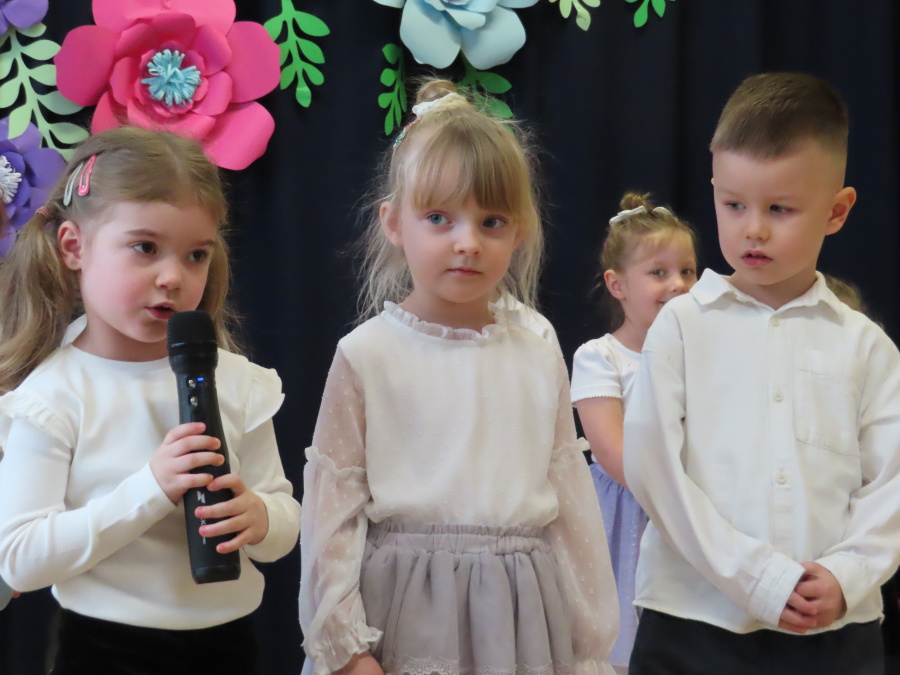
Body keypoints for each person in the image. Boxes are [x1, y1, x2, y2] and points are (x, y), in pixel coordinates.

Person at [299, 79, 618, 675]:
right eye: (439, 218)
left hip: (521, 619)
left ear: (519, 230)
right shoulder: (367, 354)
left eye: (491, 221)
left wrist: (589, 646)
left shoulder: (537, 345)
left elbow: (570, 502)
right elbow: (332, 512)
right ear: (394, 222)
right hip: (405, 612)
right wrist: (346, 648)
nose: (467, 242)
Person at [623, 71, 900, 675]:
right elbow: (653, 468)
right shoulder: (680, 328)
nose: (753, 228)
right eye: (734, 205)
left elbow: (893, 482)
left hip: (834, 627)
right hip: (691, 619)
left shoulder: (867, 347)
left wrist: (849, 573)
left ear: (836, 211)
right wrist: (753, 576)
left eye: (780, 208)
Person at [0, 127, 301, 674]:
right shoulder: (54, 395)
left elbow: (282, 526)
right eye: (145, 248)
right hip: (102, 652)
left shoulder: (236, 382)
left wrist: (260, 517)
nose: (172, 277)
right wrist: (151, 488)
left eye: (195, 255)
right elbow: (20, 558)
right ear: (74, 247)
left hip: (228, 648)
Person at [570, 192, 698, 673]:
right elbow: (611, 452)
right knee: (624, 639)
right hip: (630, 510)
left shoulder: (704, 355)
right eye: (659, 272)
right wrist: (674, 496)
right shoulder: (601, 357)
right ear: (617, 284)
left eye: (687, 271)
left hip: (695, 504)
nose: (678, 284)